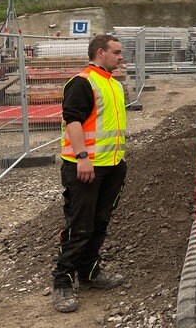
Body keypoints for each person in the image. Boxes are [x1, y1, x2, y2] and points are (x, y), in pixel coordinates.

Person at [53, 34, 128, 313]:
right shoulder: (82, 82)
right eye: (117, 52)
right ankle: (62, 280)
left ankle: (89, 271)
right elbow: (72, 121)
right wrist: (83, 157)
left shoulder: (113, 84)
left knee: (99, 222)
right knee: (80, 226)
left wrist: (119, 162)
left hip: (111, 165)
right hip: (85, 167)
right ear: (101, 53)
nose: (121, 57)